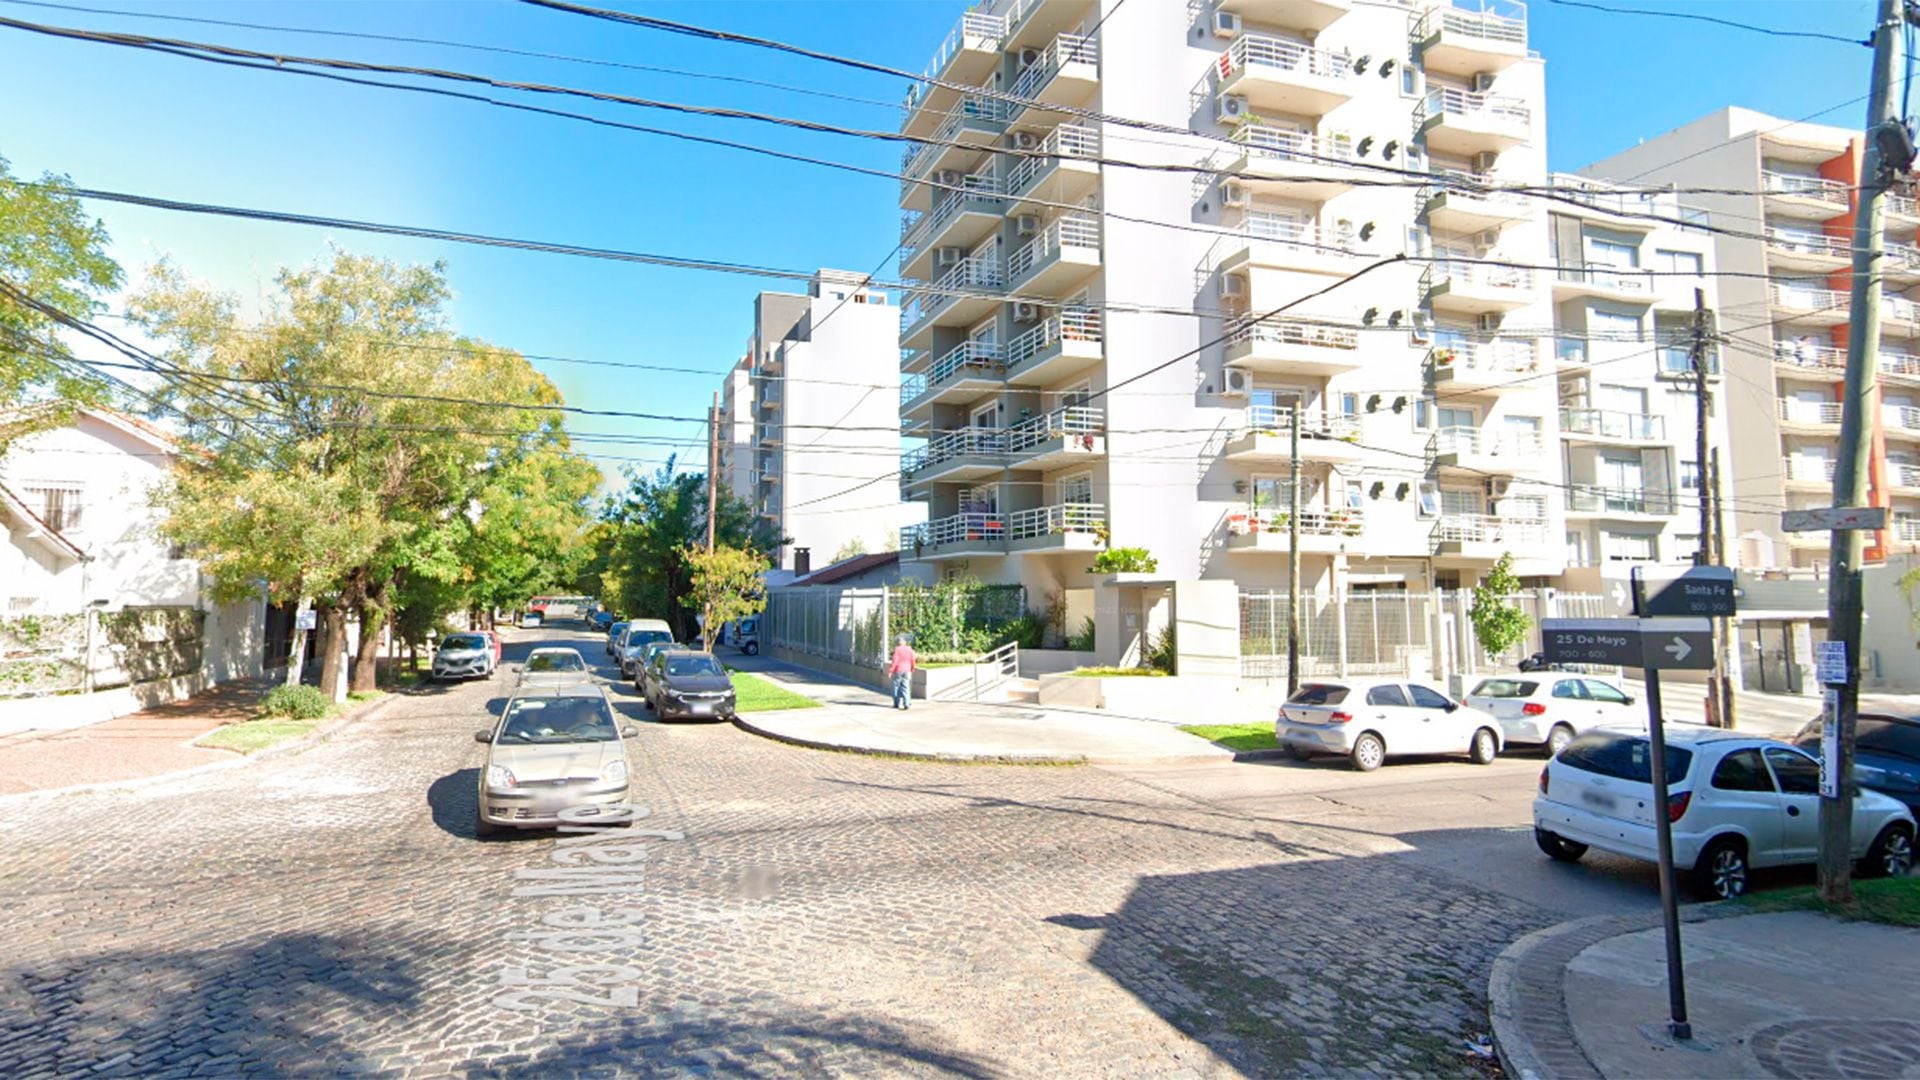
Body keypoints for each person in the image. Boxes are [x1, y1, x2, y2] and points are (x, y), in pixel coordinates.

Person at [887, 635, 917, 710]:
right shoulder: (910, 650)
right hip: (907, 670)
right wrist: (912, 668)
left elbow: (895, 661)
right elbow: (913, 660)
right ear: (905, 643)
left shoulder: (897, 650)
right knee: (905, 686)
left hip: (898, 670)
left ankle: (896, 703)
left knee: (896, 686)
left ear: (898, 643)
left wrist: (891, 671)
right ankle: (906, 703)